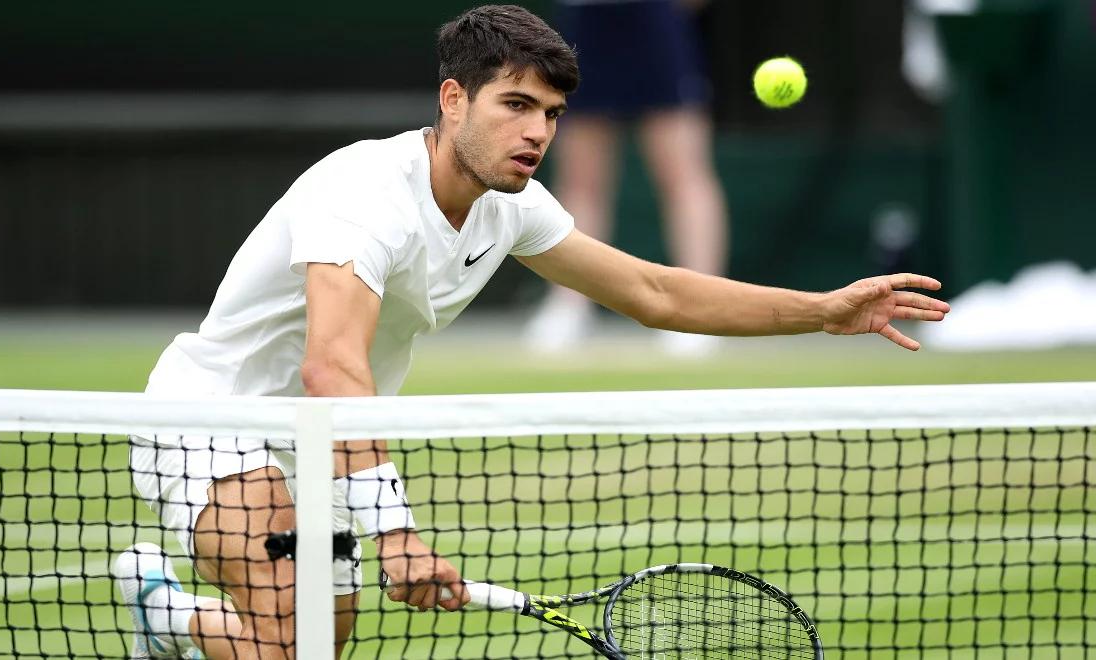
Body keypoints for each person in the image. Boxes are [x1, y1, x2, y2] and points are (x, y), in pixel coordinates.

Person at [112, 5, 950, 659]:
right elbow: (333, 368)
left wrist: (823, 311)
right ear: (453, 98)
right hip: (216, 425)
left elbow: (655, 293)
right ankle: (173, 607)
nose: (537, 133)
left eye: (550, 112)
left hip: (317, 442)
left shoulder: (512, 208)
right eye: (516, 105)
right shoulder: (361, 194)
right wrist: (396, 533)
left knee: (316, 644)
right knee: (300, 638)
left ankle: (170, 616)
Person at [524, 0, 729, 355]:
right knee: (580, 181)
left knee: (684, 175)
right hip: (586, 20)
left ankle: (703, 310)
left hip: (654, 19)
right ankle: (569, 306)